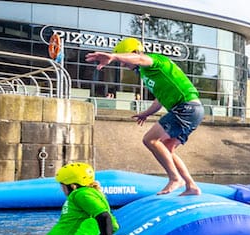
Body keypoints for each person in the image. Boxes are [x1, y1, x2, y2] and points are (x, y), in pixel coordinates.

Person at [86, 37, 204, 196]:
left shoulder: (155, 60)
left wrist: (113, 56)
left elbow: (140, 58)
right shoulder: (145, 74)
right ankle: (191, 186)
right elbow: (159, 99)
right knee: (167, 149)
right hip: (190, 110)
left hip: (186, 108)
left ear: (133, 52)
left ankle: (175, 178)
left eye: (124, 58)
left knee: (150, 139)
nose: (123, 64)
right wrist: (146, 113)